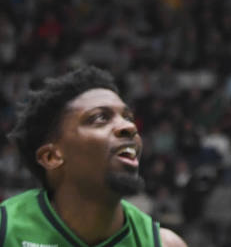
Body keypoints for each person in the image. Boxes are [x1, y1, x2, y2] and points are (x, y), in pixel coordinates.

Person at [2, 65, 189, 247]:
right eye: (100, 118)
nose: (129, 127)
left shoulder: (163, 244)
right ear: (52, 157)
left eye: (128, 117)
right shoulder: (8, 229)